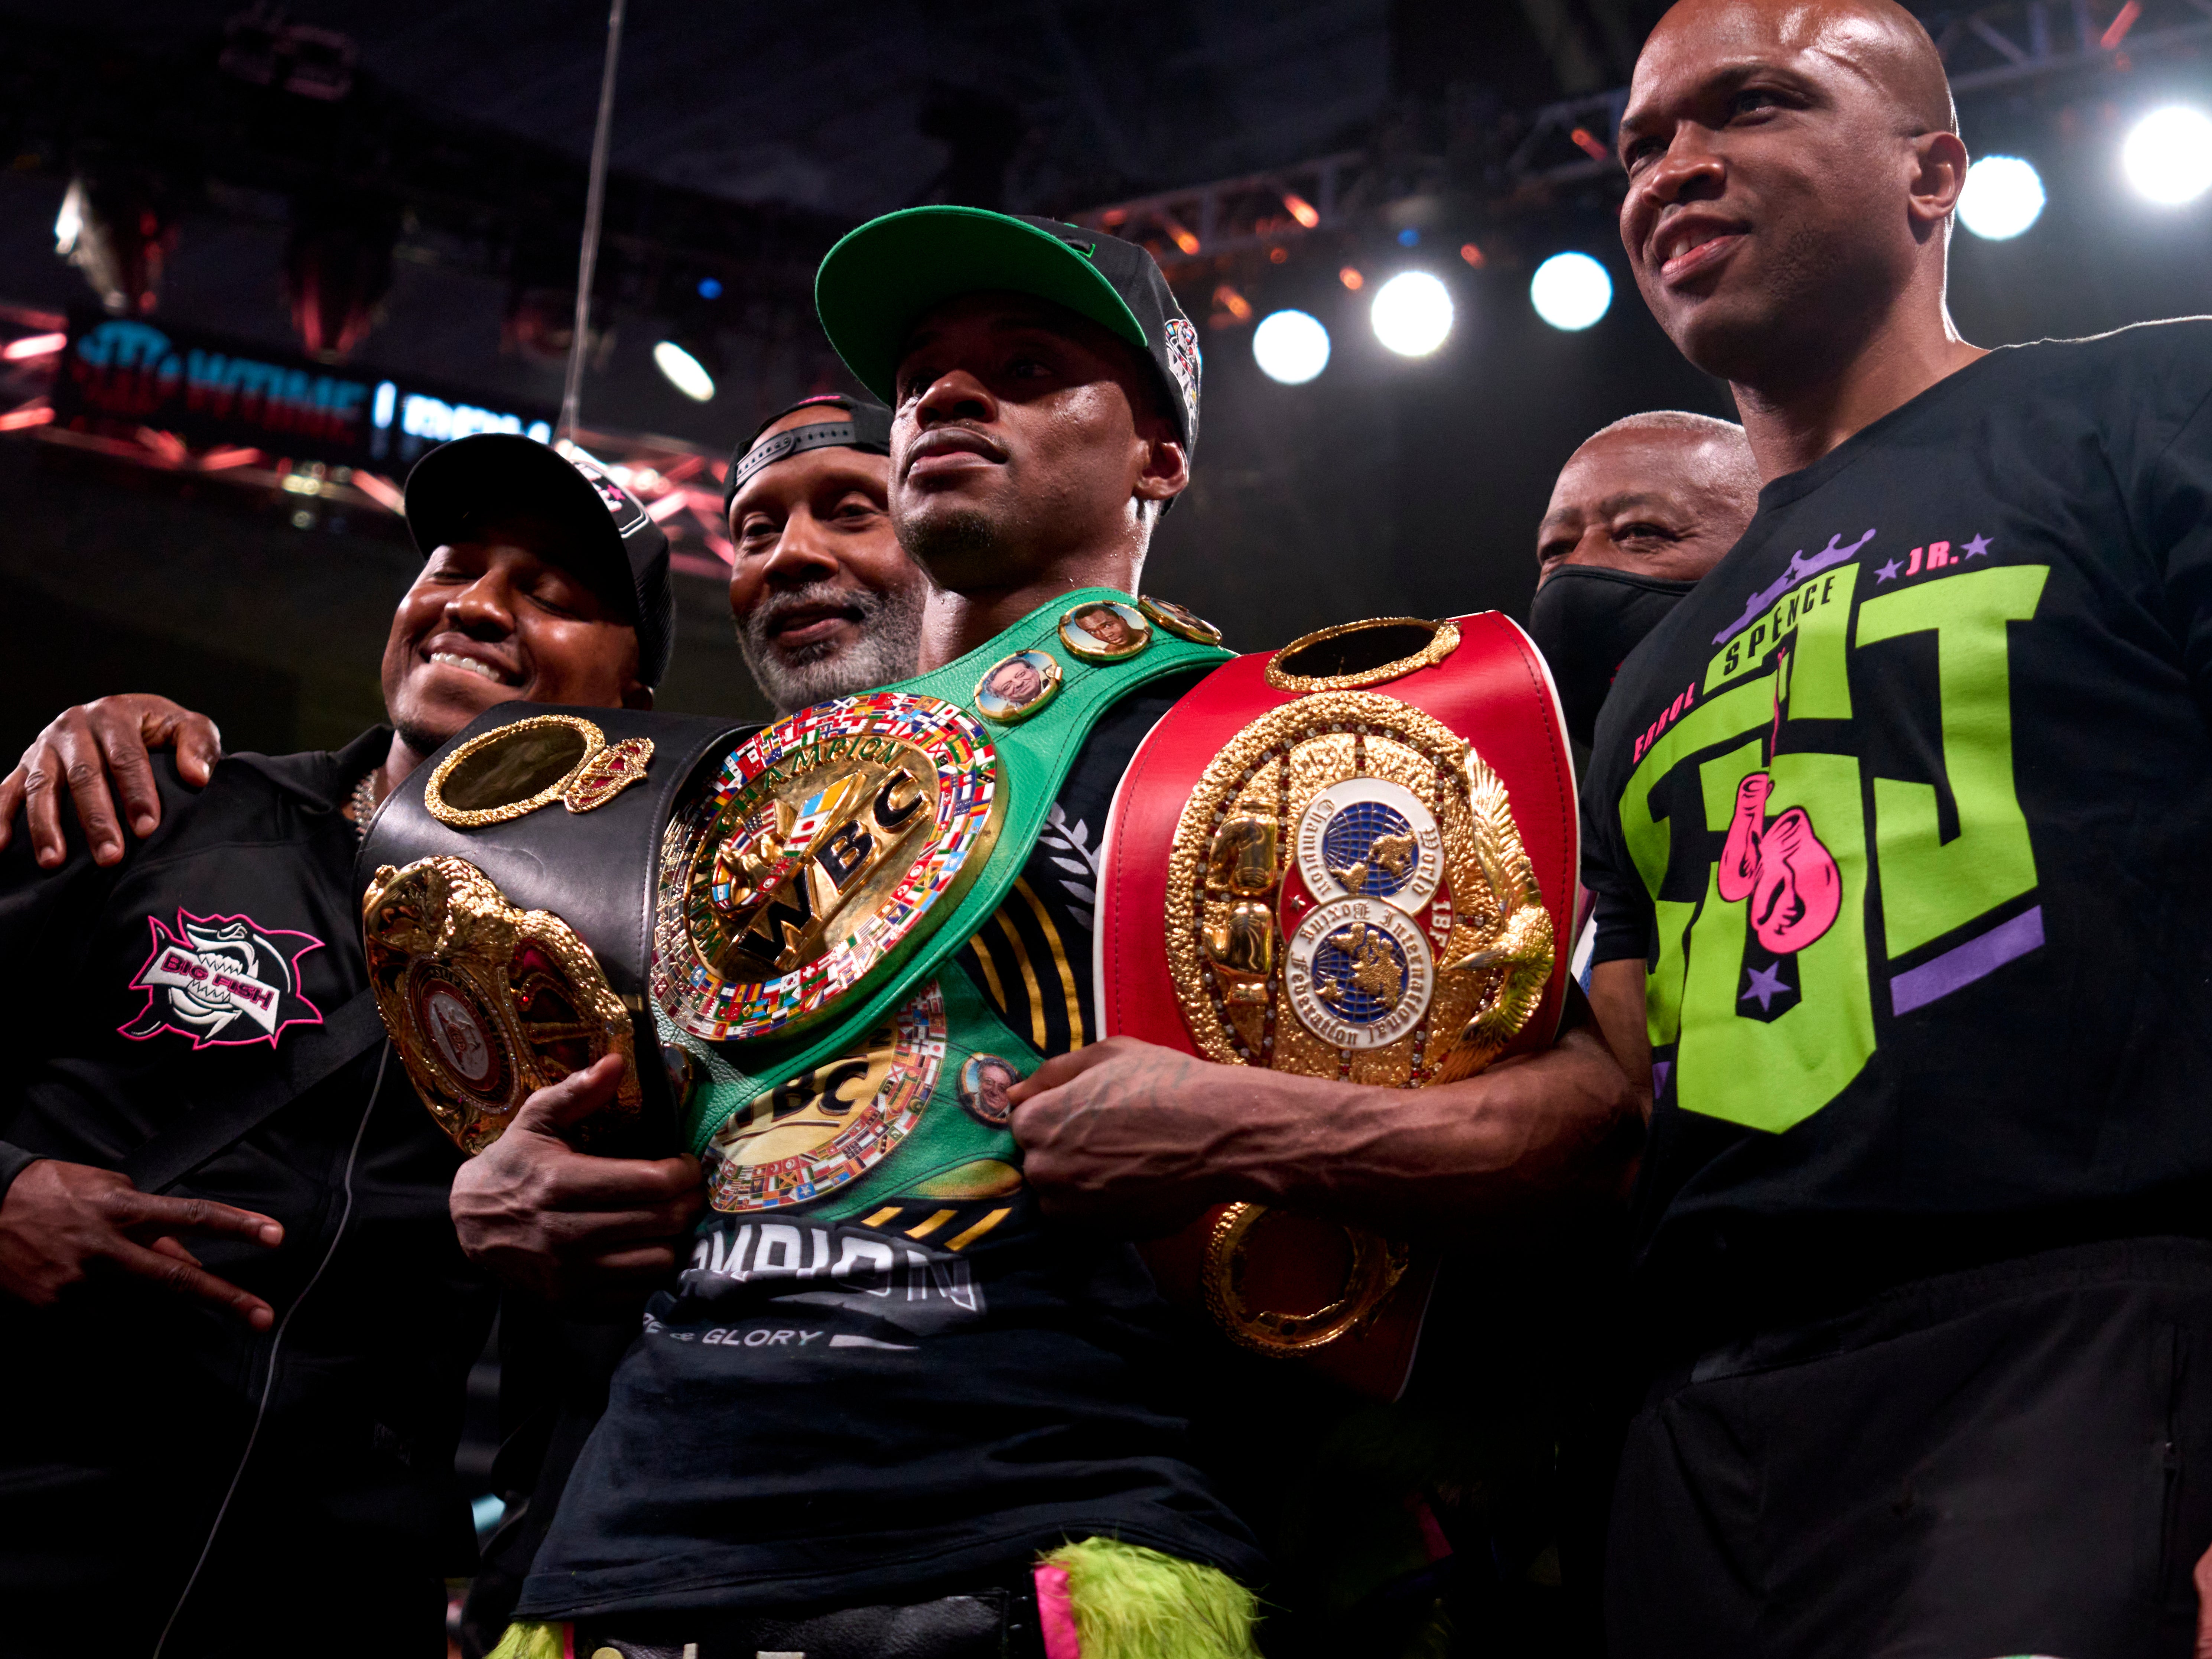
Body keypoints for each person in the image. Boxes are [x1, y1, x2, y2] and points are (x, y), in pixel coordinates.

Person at [464, 207, 1641, 1659]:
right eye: (922, 377)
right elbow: (610, 1143)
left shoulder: (1285, 750)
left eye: (1025, 364)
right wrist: (504, 1189)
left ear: (1159, 454)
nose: (950, 394)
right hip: (630, 1566)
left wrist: (1242, 1126)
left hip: (1044, 1550)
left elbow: (1593, 1134)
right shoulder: (738, 788)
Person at [1578, 1, 2212, 1652]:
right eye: (1643, 141)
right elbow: (1631, 1067)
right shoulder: (1647, 671)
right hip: (1705, 1431)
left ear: (1934, 169)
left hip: (2083, 1337)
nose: (1674, 168)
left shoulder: (2152, 407)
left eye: (1750, 106)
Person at [0, 433, 681, 1658]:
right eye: (452, 567)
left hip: (326, 1597)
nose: (474, 602)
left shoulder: (624, 982)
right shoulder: (163, 805)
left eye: (550, 593)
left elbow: (579, 1371)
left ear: (631, 698)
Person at [726, 393, 928, 713]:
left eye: (851, 511)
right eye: (759, 531)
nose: (790, 553)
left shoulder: (1031, 751)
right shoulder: (702, 764)